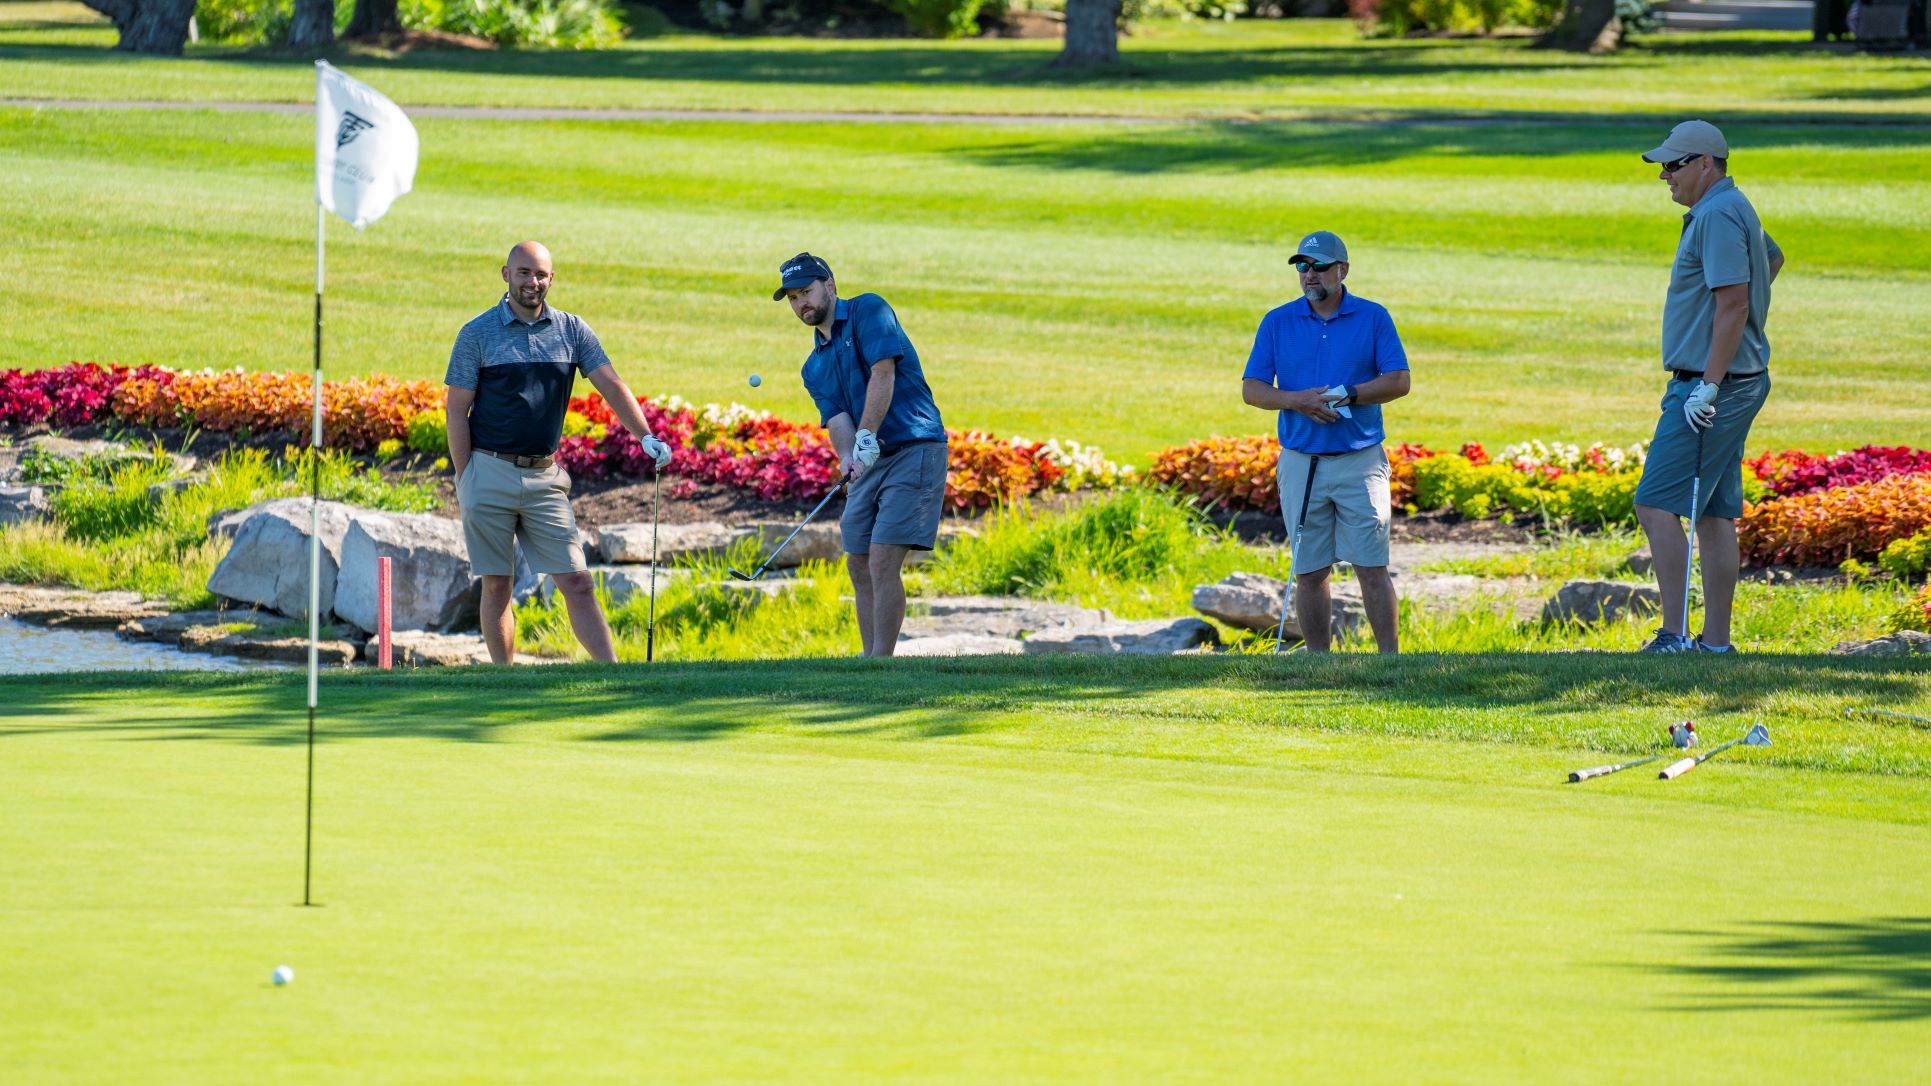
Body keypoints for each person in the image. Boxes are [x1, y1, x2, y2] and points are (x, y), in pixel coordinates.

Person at [445, 241, 672, 664]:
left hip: (545, 476)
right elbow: (457, 409)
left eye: (541, 274)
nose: (533, 282)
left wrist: (645, 435)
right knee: (498, 584)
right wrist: (466, 476)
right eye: (524, 272)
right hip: (487, 470)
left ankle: (615, 677)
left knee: (578, 581)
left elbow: (611, 384)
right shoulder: (476, 333)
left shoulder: (571, 330)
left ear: (552, 279)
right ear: (506, 274)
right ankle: (504, 680)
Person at [1632, 121, 1783, 654]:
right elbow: (1772, 259)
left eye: (1674, 166)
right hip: (1732, 380)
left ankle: (1673, 636)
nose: (1666, 176)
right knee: (1714, 513)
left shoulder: (1717, 214)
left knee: (1654, 504)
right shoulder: (1730, 206)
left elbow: (1736, 302)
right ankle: (1715, 643)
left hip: (1711, 387)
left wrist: (1709, 386)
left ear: (1705, 164)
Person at [1241, 231, 1411, 653]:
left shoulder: (1373, 318)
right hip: (1301, 461)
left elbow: (1398, 381)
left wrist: (1348, 394)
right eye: (1303, 266)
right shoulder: (1277, 321)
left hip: (1360, 460)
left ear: (1343, 270)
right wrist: (1297, 401)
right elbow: (1253, 389)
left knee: (1371, 566)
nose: (1310, 275)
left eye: (1319, 267)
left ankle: (1391, 662)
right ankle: (1318, 663)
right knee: (1311, 571)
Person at [775, 253, 947, 658]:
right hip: (871, 460)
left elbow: (883, 372)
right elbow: (837, 419)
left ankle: (881, 662)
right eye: (793, 298)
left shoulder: (869, 309)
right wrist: (849, 455)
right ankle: (869, 659)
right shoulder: (813, 366)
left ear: (830, 285)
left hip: (914, 447)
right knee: (858, 558)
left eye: (807, 291)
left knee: (884, 558)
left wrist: (866, 437)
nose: (802, 303)